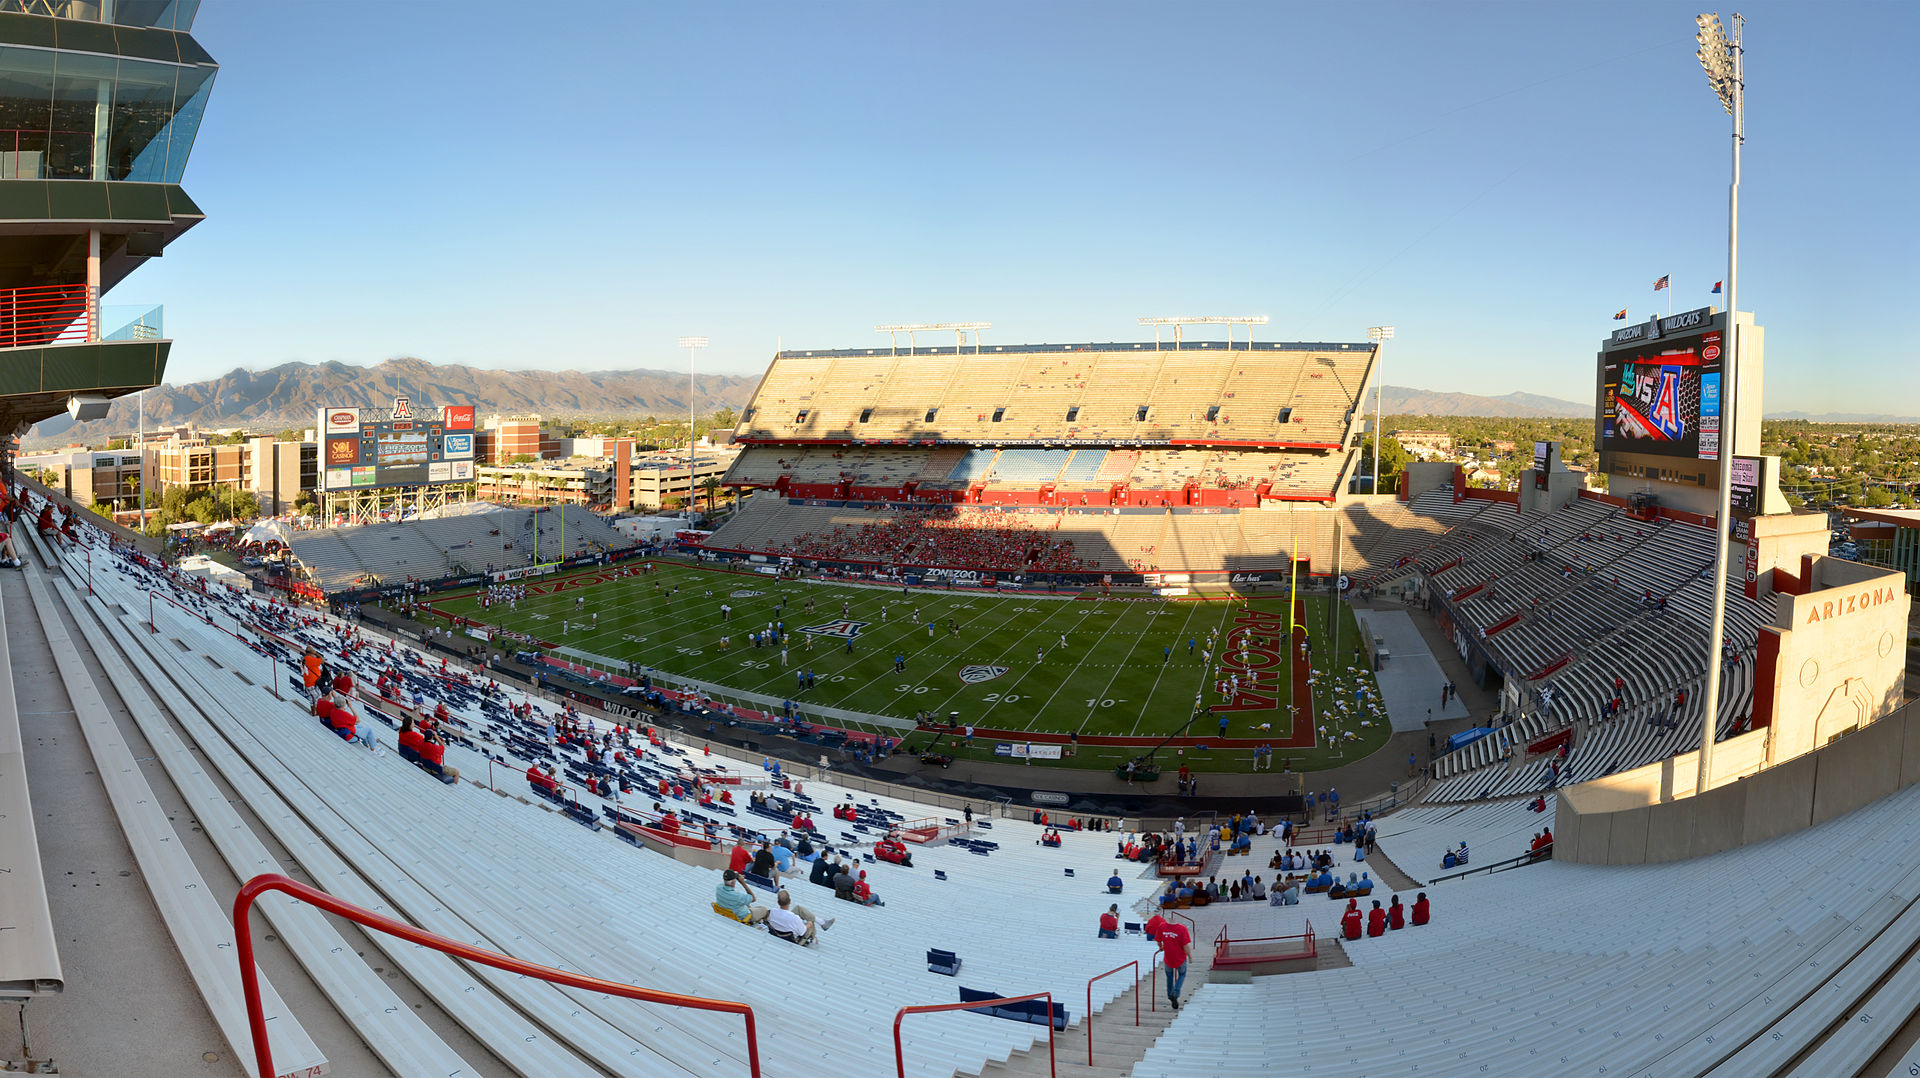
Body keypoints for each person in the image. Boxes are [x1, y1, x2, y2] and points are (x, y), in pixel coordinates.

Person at [1145, 914, 1192, 1009]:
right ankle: (1176, 991)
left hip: (1168, 957)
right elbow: (1185, 946)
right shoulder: (1182, 929)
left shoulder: (1162, 927)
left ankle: (1170, 995)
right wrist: (1190, 956)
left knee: (1169, 977)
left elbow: (1158, 940)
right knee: (1182, 975)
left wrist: (1161, 947)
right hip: (1180, 957)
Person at [766, 889, 831, 944]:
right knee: (811, 922)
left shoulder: (772, 911)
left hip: (778, 931)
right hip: (792, 938)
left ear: (778, 902)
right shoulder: (795, 918)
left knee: (798, 908)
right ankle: (813, 940)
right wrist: (808, 925)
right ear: (790, 901)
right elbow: (802, 932)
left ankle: (822, 922)